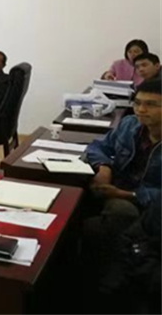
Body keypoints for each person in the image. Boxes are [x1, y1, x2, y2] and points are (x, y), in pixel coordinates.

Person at [83, 80, 162, 300]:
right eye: (137, 103)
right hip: (113, 187)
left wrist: (127, 195)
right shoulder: (130, 124)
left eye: (151, 104)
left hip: (146, 206)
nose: (141, 110)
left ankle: (112, 287)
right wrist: (104, 166)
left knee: (120, 212)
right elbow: (98, 146)